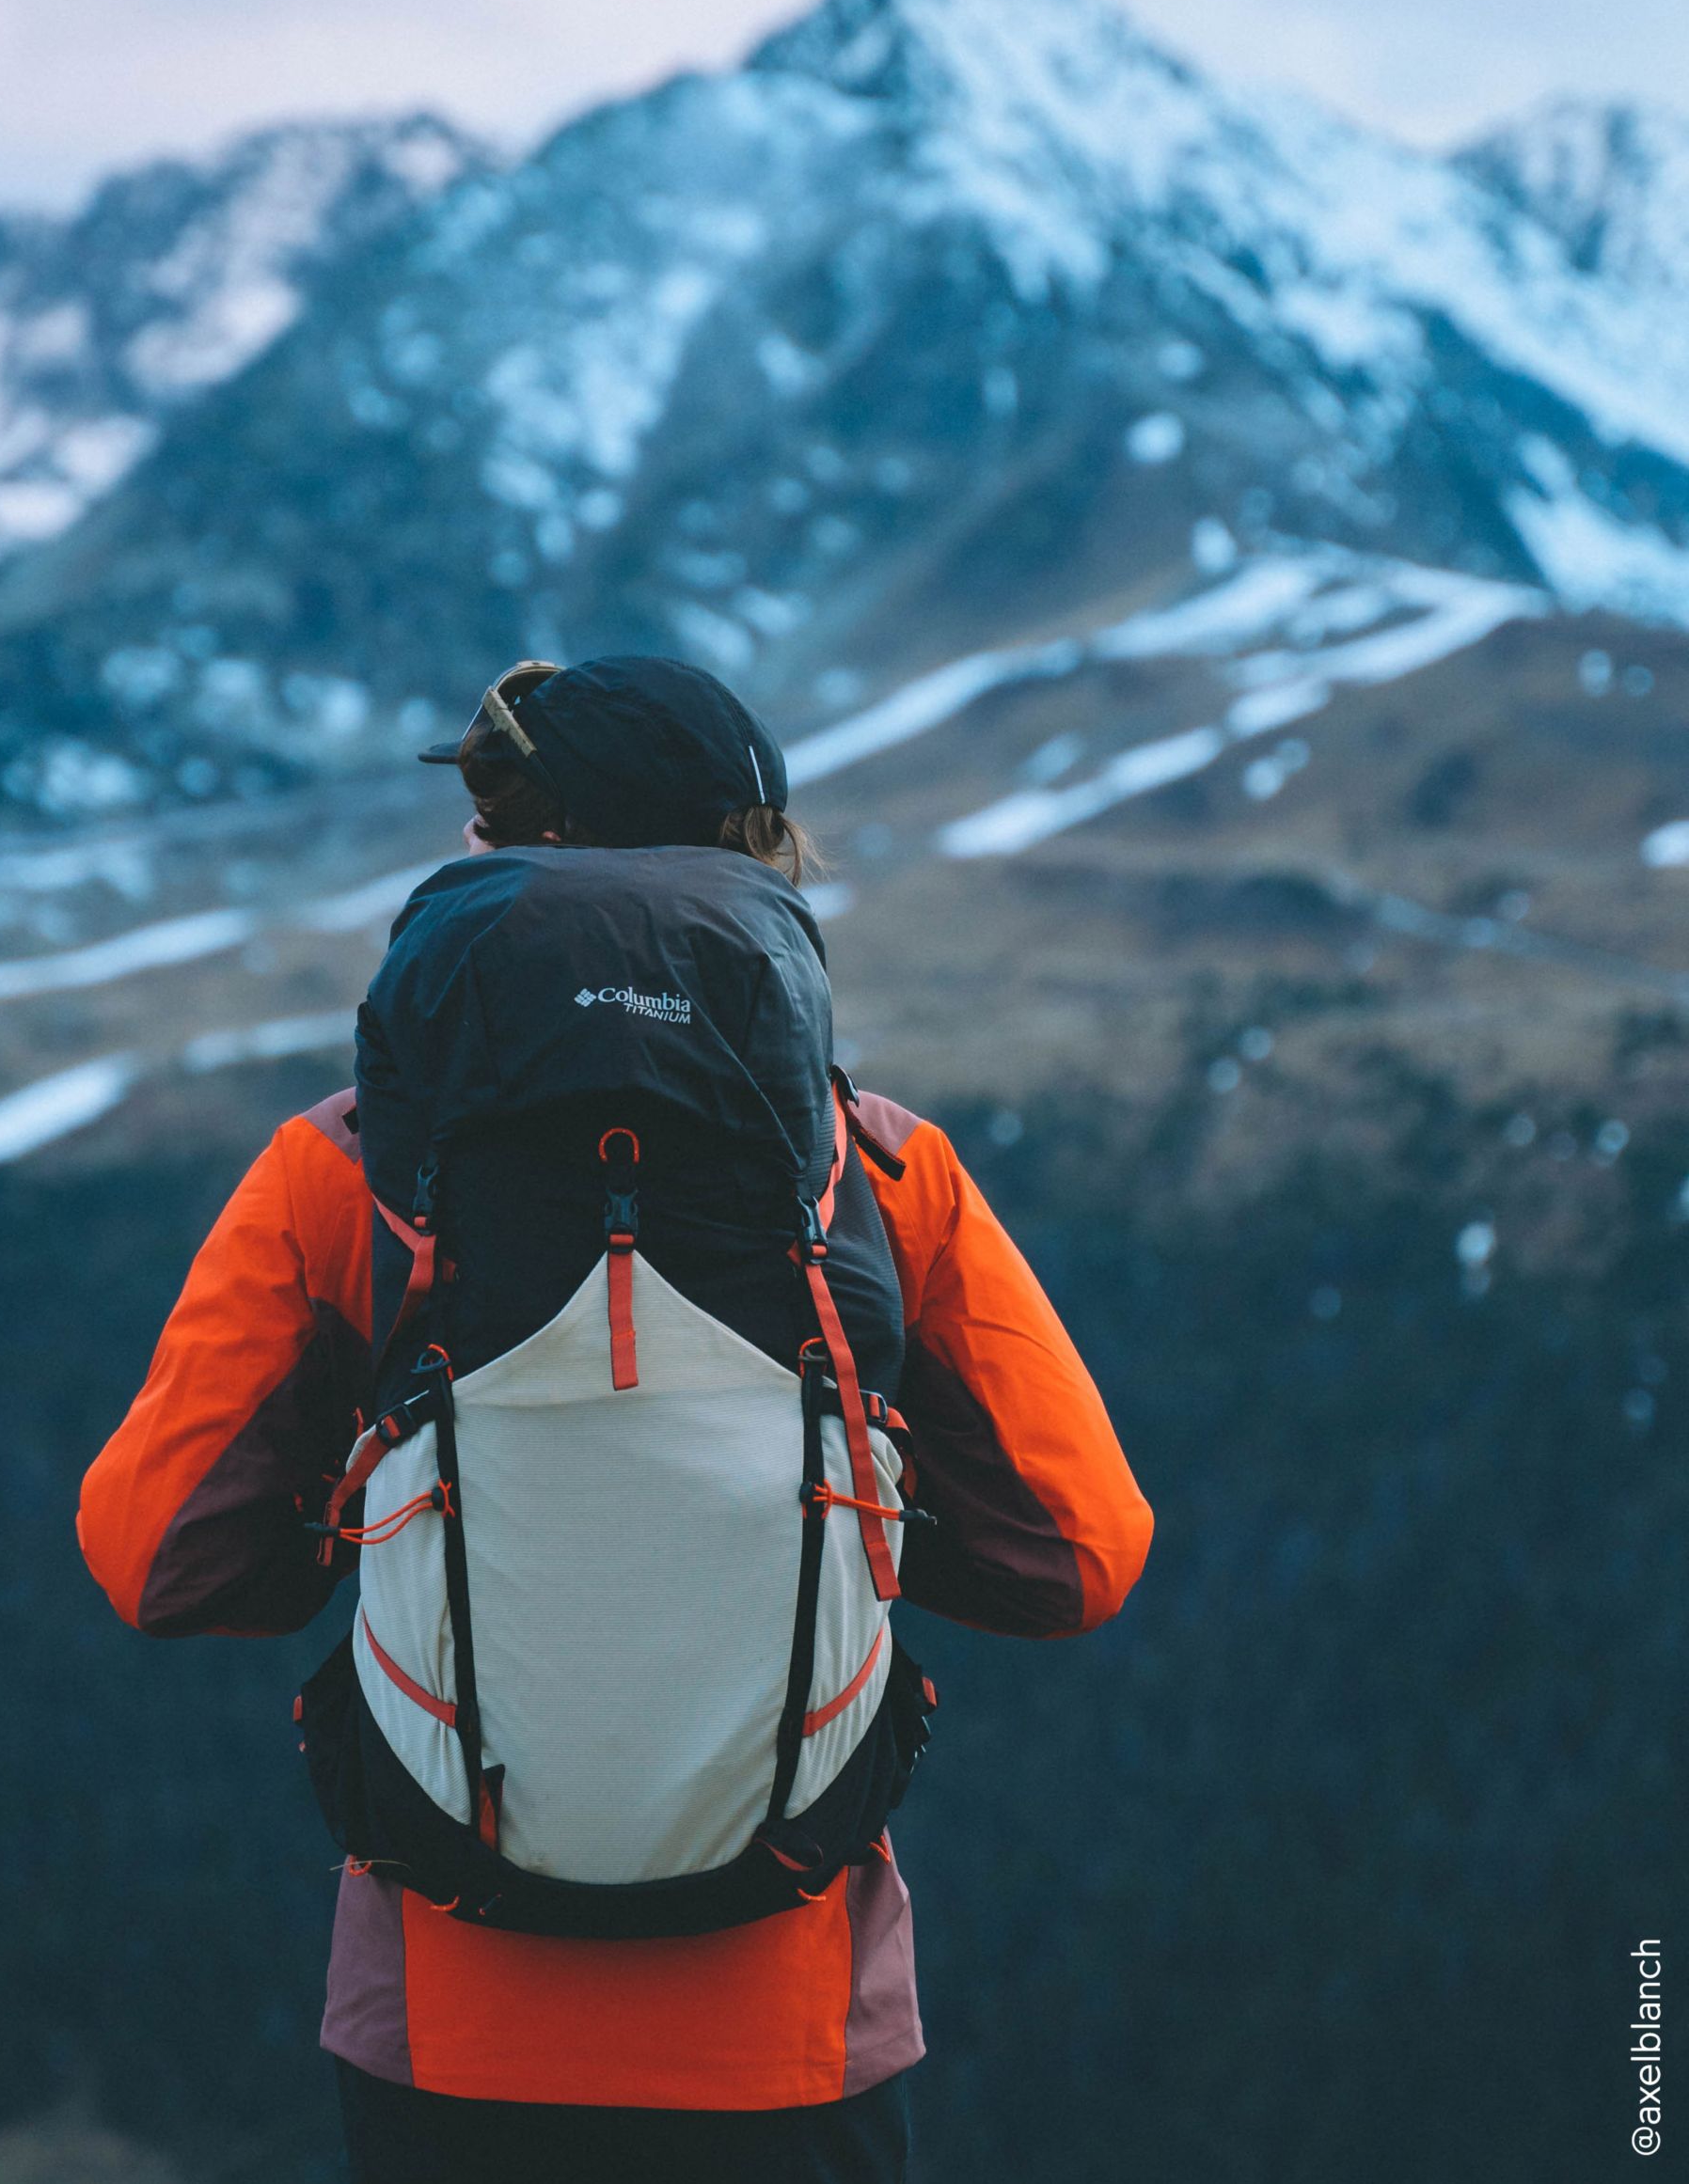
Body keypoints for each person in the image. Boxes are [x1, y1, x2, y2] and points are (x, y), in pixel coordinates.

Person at [78, 655, 1154, 2184]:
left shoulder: (347, 1177)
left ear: (521, 859)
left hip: (450, 2042)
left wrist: (360, 1515)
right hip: (793, 2048)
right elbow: (1081, 1551)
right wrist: (856, 1518)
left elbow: (151, 1550)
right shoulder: (883, 1181)